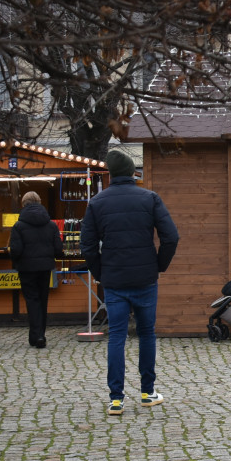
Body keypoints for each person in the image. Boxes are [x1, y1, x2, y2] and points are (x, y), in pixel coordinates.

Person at [81, 150, 179, 417]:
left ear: (111, 174)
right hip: (145, 278)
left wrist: (100, 272)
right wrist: (159, 265)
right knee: (147, 334)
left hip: (114, 280)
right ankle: (147, 392)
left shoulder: (97, 203)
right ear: (132, 172)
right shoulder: (149, 198)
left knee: (117, 337)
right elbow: (171, 237)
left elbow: (87, 245)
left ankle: (116, 399)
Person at [9, 191, 64, 348]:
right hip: (45, 268)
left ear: (23, 204)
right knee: (43, 300)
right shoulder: (51, 224)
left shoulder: (18, 226)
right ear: (40, 202)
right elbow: (58, 249)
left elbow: (16, 250)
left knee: (32, 301)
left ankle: (36, 335)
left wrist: (17, 261)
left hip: (26, 268)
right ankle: (41, 334)